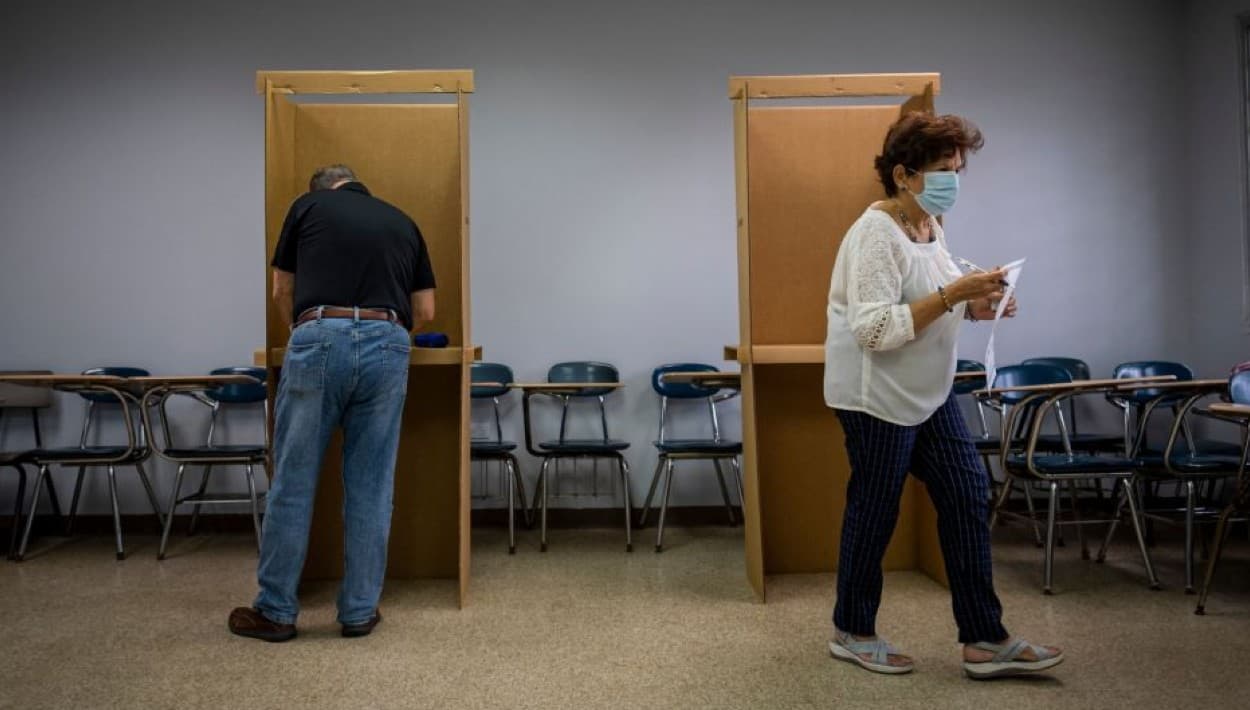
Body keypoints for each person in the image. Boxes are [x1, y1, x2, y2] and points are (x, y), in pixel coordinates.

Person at [822, 113, 1063, 679]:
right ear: (903, 175)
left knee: (967, 493)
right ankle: (852, 631)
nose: (953, 179)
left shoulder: (930, 225)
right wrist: (954, 291)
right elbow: (876, 331)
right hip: (874, 395)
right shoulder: (874, 235)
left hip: (927, 391)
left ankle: (984, 639)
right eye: (942, 170)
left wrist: (979, 305)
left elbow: (936, 302)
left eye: (958, 169)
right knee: (876, 511)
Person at [229, 164, 436, 642]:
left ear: (320, 189)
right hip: (390, 340)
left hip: (320, 333)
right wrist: (382, 335)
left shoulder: (307, 207)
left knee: (294, 480)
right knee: (371, 484)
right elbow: (425, 311)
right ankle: (360, 611)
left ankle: (277, 613)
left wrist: (305, 334)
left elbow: (283, 287)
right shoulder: (404, 221)